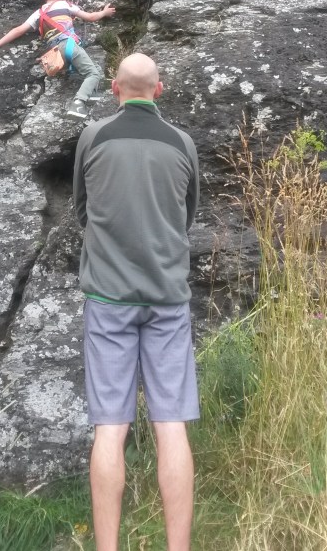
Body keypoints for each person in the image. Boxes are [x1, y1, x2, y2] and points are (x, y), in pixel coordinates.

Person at [73, 53, 200, 551]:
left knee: (110, 427)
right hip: (167, 298)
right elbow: (186, 216)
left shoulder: (94, 137)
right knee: (171, 426)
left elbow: (83, 210)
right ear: (159, 90)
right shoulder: (183, 143)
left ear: (114, 89)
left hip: (108, 297)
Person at [0, 0, 115, 120]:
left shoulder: (39, 13)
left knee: (91, 67)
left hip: (55, 54)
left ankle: (92, 93)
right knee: (93, 73)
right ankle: (79, 102)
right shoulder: (65, 4)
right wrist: (104, 12)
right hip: (69, 46)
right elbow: (90, 17)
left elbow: (19, 30)